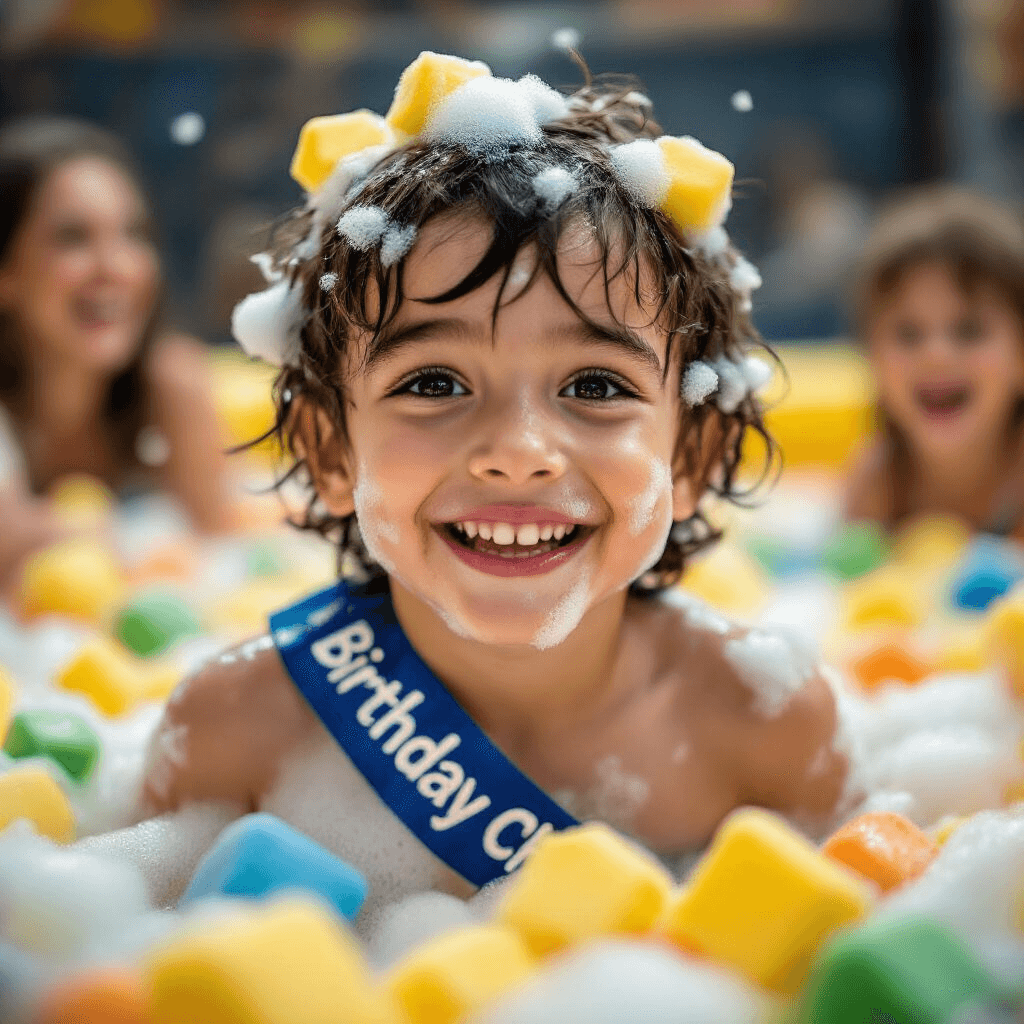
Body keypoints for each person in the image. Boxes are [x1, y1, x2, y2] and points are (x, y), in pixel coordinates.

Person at [127, 56, 850, 919]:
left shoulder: (765, 727)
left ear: (690, 458)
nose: (519, 453)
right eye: (434, 383)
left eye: (593, 386)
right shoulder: (232, 734)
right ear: (329, 448)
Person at [0, 116, 237, 585]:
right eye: (73, 238)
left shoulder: (171, 382)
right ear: (6, 272)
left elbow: (226, 553)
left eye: (133, 235)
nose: (116, 267)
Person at [844, 187, 1024, 538]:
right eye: (908, 334)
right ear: (872, 359)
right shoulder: (882, 480)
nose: (936, 355)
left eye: (969, 331)